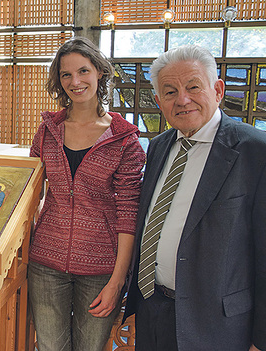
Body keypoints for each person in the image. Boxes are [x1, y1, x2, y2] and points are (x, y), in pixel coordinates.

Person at [124, 45, 266, 351]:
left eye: (193, 87)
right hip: (153, 309)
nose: (182, 99)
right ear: (160, 101)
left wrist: (261, 339)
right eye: (170, 91)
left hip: (218, 325)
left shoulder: (256, 151)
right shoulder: (160, 146)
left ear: (217, 90)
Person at [27, 37, 145, 351]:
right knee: (50, 346)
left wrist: (118, 280)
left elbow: (129, 212)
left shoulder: (124, 140)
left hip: (101, 269)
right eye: (66, 75)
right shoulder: (47, 130)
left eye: (83, 71)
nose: (75, 81)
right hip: (45, 263)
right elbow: (28, 192)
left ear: (100, 73)